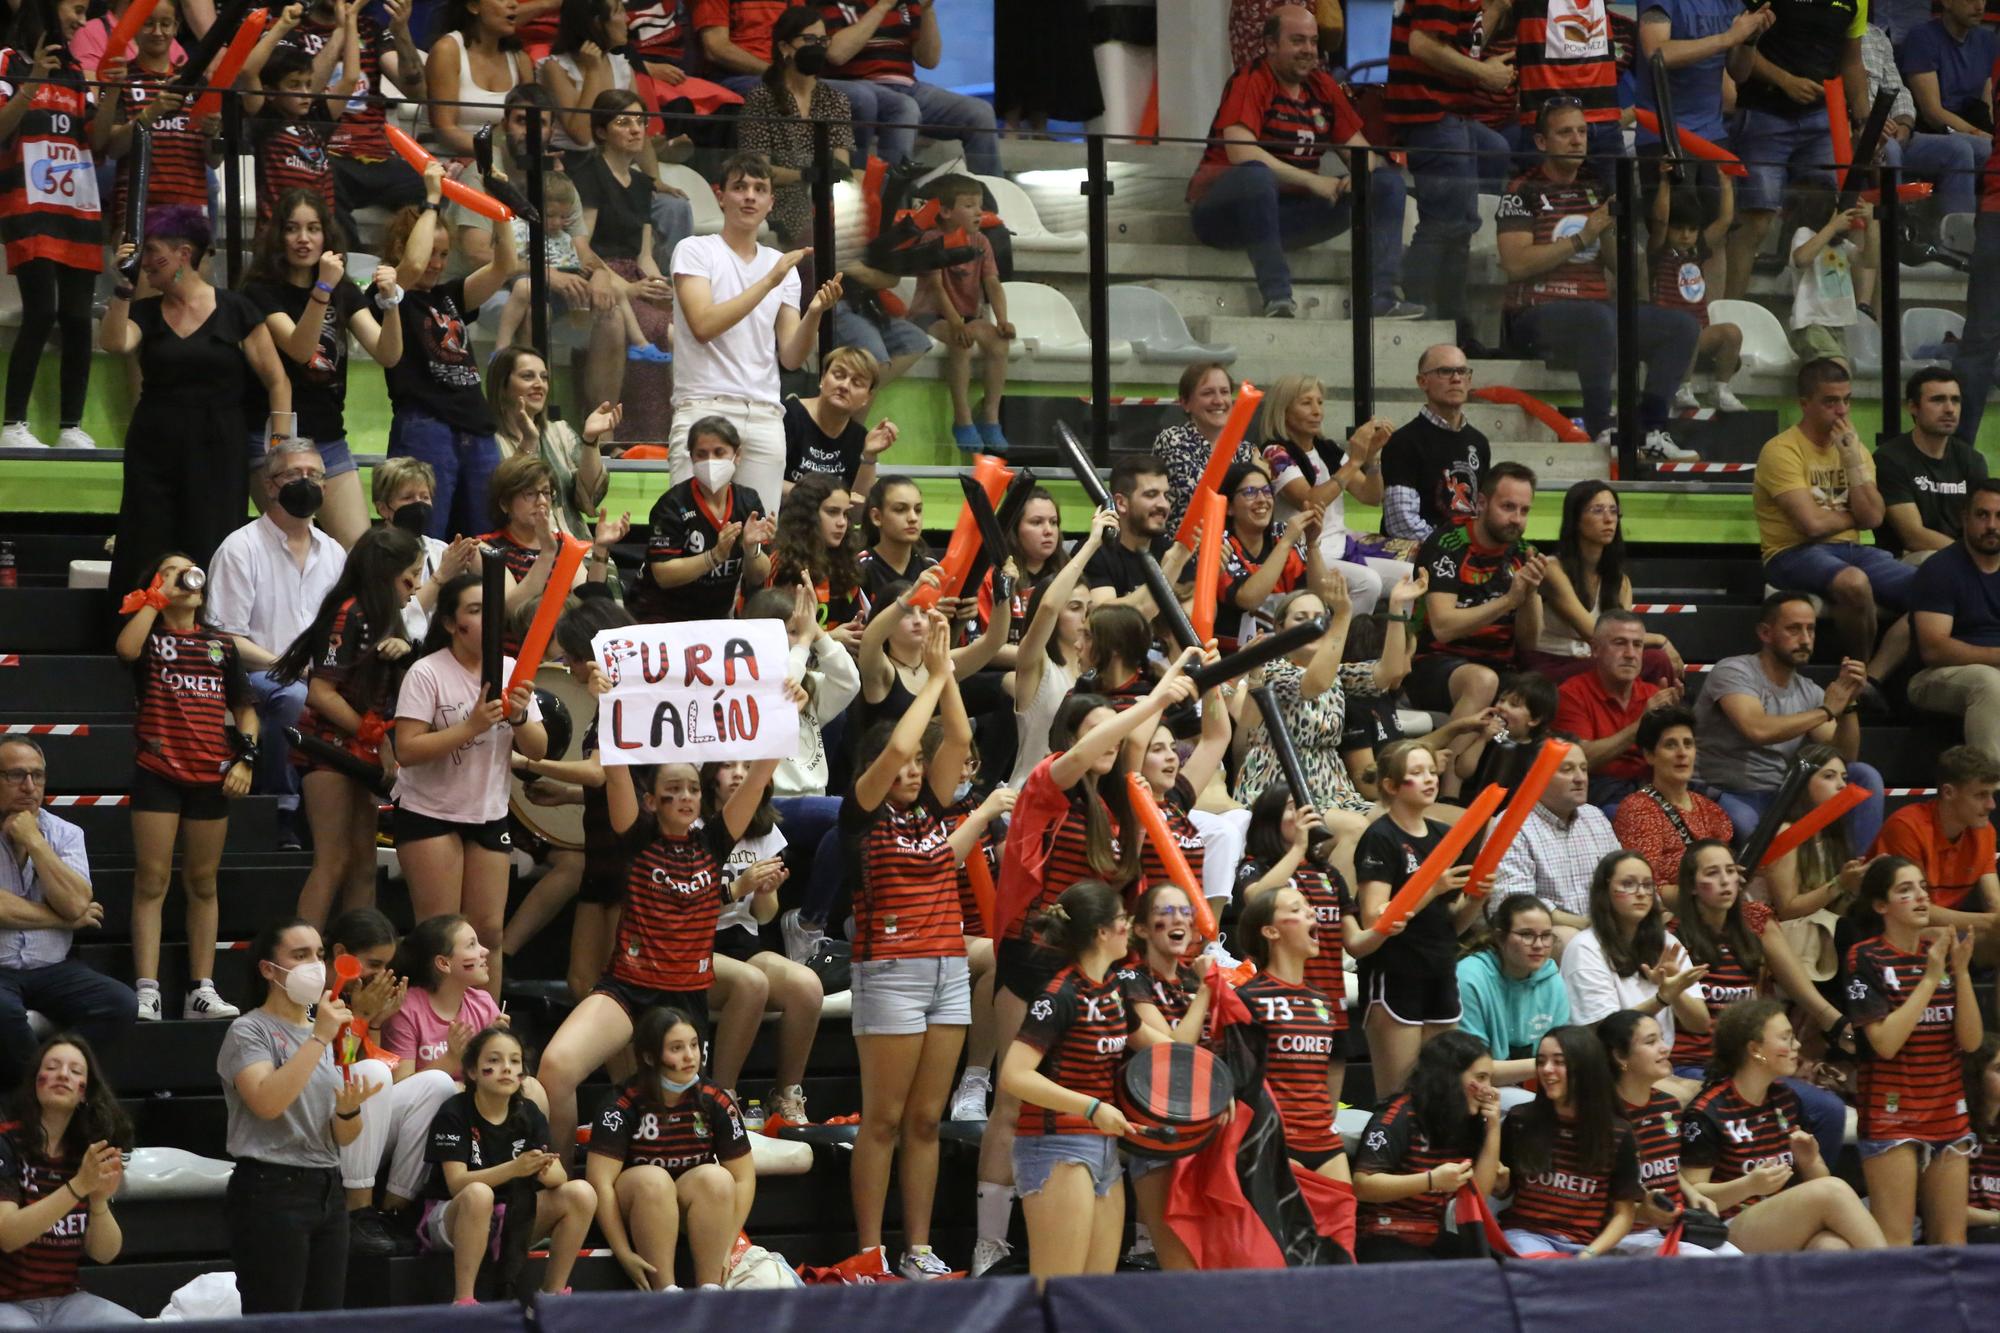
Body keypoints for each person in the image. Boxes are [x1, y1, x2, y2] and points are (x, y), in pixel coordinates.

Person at [976, 665, 1197, 1276]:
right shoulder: (1048, 784)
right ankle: (990, 1239)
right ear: (1072, 739)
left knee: (1101, 1082)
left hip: (1099, 963)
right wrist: (1150, 700)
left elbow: (1134, 740)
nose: (1109, 741)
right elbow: (1102, 744)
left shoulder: (1124, 798)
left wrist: (1172, 680)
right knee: (1014, 1101)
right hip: (1034, 955)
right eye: (1094, 730)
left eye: (1113, 732)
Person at [534, 740, 778, 1167]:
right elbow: (614, 769)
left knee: (688, 1122)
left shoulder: (713, 842)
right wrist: (610, 702)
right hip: (628, 988)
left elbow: (759, 777)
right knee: (555, 1069)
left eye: (692, 789)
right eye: (673, 789)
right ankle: (558, 1184)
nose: (685, 796)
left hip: (685, 998)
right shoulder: (637, 838)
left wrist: (784, 713)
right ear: (650, 800)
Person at [100, 207, 292, 601]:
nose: (146, 262)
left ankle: (209, 640)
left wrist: (280, 448)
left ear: (184, 254)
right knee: (146, 539)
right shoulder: (145, 312)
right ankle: (138, 637)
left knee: (214, 540)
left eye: (153, 252)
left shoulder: (237, 309)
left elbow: (278, 381)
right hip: (154, 444)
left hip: (219, 443)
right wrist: (122, 286)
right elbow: (115, 342)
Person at [1496, 101, 1699, 461]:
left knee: (1680, 326)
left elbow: (1625, 267)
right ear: (1542, 142)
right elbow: (1516, 264)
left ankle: (1652, 428)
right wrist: (1582, 236)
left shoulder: (1595, 186)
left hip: (1594, 317)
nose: (1577, 141)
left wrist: (1618, 228)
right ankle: (1601, 426)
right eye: (1565, 133)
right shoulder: (1520, 190)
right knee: (1598, 318)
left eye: (1581, 132)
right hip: (1533, 317)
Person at [1189, 6, 1417, 321]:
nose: (1308, 50)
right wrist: (1311, 181)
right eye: (1297, 41)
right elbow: (1241, 152)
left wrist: (1360, 175)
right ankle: (1278, 298)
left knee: (1387, 182)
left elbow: (1363, 155)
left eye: (1312, 41)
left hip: (1287, 216)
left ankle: (1379, 298)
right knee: (1256, 176)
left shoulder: (1322, 86)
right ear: (1270, 45)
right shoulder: (1251, 80)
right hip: (1224, 216)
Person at [114, 552, 258, 1024]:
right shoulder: (150, 637)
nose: (188, 578)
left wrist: (247, 759)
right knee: (152, 879)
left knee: (202, 881)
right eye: (175, 571)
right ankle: (147, 990)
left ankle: (201, 989)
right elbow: (126, 651)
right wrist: (157, 596)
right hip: (158, 772)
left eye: (192, 571)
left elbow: (246, 710)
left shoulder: (222, 646)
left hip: (210, 777)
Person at [390, 574, 547, 996]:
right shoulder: (427, 673)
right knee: (441, 935)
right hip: (430, 812)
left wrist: (517, 716)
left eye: (492, 612)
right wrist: (472, 725)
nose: (486, 622)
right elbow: (406, 749)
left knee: (488, 934)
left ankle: (487, 1031)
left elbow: (538, 747)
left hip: (488, 812)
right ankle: (430, 1029)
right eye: (474, 611)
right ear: (449, 623)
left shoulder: (513, 670)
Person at [219, 918, 378, 1313]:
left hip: (328, 1188)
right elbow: (267, 1102)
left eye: (320, 955)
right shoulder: (248, 1030)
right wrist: (319, 1036)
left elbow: (345, 1135)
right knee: (277, 1319)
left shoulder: (335, 1032)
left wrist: (348, 1110)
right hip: (270, 1188)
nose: (315, 964)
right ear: (269, 970)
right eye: (300, 954)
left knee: (326, 1318)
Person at [668, 151, 838, 509]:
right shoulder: (695, 249)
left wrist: (815, 313)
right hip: (705, 405)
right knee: (693, 533)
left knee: (759, 541)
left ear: (771, 202)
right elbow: (703, 325)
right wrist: (768, 280)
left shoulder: (781, 267)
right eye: (740, 187)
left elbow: (791, 356)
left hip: (764, 415)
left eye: (760, 189)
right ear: (720, 196)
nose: (749, 196)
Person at [1673, 841, 1852, 1162]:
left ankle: (1803, 1195)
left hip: (1749, 1065)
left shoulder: (1749, 934)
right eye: (1713, 874)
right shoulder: (1675, 939)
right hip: (1695, 1066)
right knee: (1744, 1107)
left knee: (1829, 1111)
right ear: (1690, 888)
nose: (1726, 881)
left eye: (1731, 871)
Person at [244, 190, 405, 549]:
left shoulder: (344, 291)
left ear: (326, 236)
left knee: (359, 550)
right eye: (293, 229)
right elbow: (301, 349)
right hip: (275, 438)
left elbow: (388, 353)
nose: (303, 239)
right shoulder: (261, 291)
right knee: (290, 547)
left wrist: (391, 303)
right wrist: (322, 289)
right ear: (279, 237)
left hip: (329, 437)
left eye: (313, 229)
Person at [204, 441, 345, 843]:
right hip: (255, 672)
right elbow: (224, 636)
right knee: (293, 698)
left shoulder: (334, 553)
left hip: (320, 674)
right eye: (294, 475)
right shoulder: (240, 548)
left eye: (314, 475)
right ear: (269, 486)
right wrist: (289, 665)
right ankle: (283, 808)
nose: (306, 483)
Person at [1846, 855, 1985, 1248]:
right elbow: (1885, 1044)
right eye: (1905, 890)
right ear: (1881, 906)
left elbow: (1972, 1042)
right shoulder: (1866, 957)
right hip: (1893, 1116)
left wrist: (1959, 972)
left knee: (1951, 1242)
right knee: (1896, 1243)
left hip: (1947, 1110)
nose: (1921, 897)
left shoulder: (1941, 955)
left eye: (1923, 887)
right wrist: (1929, 978)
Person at [999, 879, 1136, 1278]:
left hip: (1103, 1145)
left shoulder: (1112, 988)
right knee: (1059, 1291)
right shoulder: (1058, 995)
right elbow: (1014, 1075)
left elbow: (1161, 1045)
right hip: (1055, 1144)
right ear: (1102, 932)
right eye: (1123, 920)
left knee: (1093, 1294)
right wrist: (1092, 1107)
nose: (1129, 926)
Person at [377, 162, 516, 543]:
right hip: (426, 426)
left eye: (444, 254)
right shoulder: (388, 292)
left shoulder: (449, 295)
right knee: (422, 537)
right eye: (432, 252)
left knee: (485, 540)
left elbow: (506, 264)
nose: (436, 263)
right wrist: (433, 199)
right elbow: (414, 264)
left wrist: (498, 209)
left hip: (476, 427)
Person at [1682, 999, 1890, 1251]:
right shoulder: (1707, 1111)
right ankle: (1894, 1273)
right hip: (1727, 1226)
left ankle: (1881, 1281)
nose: (1798, 1046)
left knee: (1831, 1248)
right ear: (1755, 1049)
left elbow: (1816, 1183)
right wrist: (1748, 1186)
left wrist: (1811, 1161)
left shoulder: (1786, 1099)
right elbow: (1694, 1194)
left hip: (1777, 1220)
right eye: (1786, 1038)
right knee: (1833, 1190)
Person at [0, 0, 116, 452]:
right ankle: (12, 423)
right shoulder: (8, 62)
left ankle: (71, 425)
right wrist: (31, 85)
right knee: (41, 311)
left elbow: (98, 140)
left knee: (75, 318)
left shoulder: (76, 74)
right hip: (28, 206)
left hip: (78, 208)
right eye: (77, 9)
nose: (82, 21)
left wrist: (112, 95)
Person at [1755, 366, 1915, 678]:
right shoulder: (1781, 450)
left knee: (1935, 591)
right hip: (1791, 552)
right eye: (1830, 402)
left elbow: (1874, 517)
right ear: (1805, 404)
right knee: (1853, 582)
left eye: (1846, 400)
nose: (1841, 411)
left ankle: (1874, 678)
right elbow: (1811, 525)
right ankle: (1857, 671)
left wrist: (1852, 460)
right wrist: (1855, 516)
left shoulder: (1855, 449)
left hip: (1851, 550)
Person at [1693, 590, 1883, 852]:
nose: (1805, 639)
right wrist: (1827, 710)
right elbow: (1757, 729)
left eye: (1811, 630)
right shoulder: (1734, 671)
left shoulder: (1809, 691)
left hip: (1784, 795)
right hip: (1726, 792)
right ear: (1765, 633)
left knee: (1863, 776)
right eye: (1794, 629)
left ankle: (1854, 874)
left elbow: (1843, 757)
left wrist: (1849, 704)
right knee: (1748, 826)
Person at [584, 1006, 754, 1291]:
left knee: (717, 1178)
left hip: (690, 1205)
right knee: (654, 1180)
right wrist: (623, 1252)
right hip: (637, 1205)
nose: (690, 1056)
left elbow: (743, 1177)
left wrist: (728, 1243)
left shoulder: (716, 1099)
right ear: (650, 1057)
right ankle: (665, 1292)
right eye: (676, 1048)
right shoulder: (621, 1104)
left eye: (694, 1045)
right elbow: (600, 1183)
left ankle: (711, 1289)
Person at [419, 1025, 592, 1303]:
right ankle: (464, 1300)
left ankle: (552, 1295)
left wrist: (545, 1170)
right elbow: (456, 1183)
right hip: (452, 1216)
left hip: (512, 1215)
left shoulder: (529, 1112)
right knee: (478, 1194)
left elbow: (558, 1175)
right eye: (494, 1061)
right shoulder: (454, 1111)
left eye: (515, 1061)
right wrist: (514, 1169)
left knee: (581, 1193)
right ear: (473, 1071)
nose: (507, 1068)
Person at [1354, 740, 1488, 1096]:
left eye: (1432, 771)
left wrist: (1476, 899)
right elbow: (1373, 916)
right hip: (1396, 972)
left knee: (1439, 1093)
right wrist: (1431, 886)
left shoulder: (1445, 836)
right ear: (1391, 786)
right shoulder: (1380, 836)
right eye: (1416, 773)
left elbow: (1452, 923)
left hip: (1441, 969)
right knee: (1398, 1096)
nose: (1430, 779)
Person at [0, 741, 131, 1085]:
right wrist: (63, 920)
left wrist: (36, 842)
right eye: (16, 775)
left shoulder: (65, 833)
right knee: (3, 1014)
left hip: (54, 968)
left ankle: (44, 1080)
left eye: (37, 776)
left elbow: (75, 902)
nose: (29, 787)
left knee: (119, 1004)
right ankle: (39, 1094)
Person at [1385, 0, 1515, 340]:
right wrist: (1485, 73)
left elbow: (1463, 48)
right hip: (1430, 112)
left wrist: (1497, 10)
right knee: (1445, 222)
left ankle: (1454, 323)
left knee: (1494, 154)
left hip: (1453, 114)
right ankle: (1424, 314)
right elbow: (1422, 44)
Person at [705, 759, 822, 1122]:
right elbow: (684, 907)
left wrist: (765, 891)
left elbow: (765, 916)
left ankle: (787, 1095)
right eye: (728, 765)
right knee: (751, 982)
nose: (739, 773)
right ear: (708, 775)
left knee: (807, 986)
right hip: (697, 947)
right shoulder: (694, 827)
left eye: (747, 765)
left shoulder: (763, 828)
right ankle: (721, 1098)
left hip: (743, 944)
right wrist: (737, 887)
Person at [1719, 0, 1860, 300]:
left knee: (1827, 215)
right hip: (1764, 113)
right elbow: (1740, 48)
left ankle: (1821, 322)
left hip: (1822, 118)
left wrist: (1864, 121)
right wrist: (1785, 81)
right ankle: (1731, 313)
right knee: (1756, 218)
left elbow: (1851, 62)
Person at [0, 1035, 134, 1325]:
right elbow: (8, 1235)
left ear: (84, 1092)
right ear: (35, 1081)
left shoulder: (86, 1152)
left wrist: (98, 1201)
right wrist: (78, 1187)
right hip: (6, 1302)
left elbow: (104, 1254)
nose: (63, 1074)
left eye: (75, 1071)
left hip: (65, 1300)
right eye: (53, 1066)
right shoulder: (6, 1142)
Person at [1116, 882, 1214, 1271]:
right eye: (1166, 911)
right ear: (1140, 929)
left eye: (1185, 911)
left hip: (1201, 1127)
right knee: (1180, 1266)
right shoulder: (1129, 980)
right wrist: (1207, 994)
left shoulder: (1191, 980)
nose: (1178, 920)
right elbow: (1175, 1054)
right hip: (1151, 1127)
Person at [1408, 461, 1546, 732]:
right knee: (1483, 681)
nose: (1517, 519)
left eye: (1524, 510)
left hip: (1501, 666)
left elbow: (1530, 642)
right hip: (1434, 663)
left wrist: (1529, 595)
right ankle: (1448, 771)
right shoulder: (1449, 544)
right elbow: (1443, 628)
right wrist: (1508, 601)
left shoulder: (1524, 553)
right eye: (1507, 507)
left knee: (1543, 697)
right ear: (1481, 503)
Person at [1236, 885, 1357, 1184]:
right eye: (1295, 909)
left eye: (1309, 907)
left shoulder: (1322, 1001)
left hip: (1326, 1143)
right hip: (1277, 1142)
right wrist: (1263, 1146)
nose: (1311, 912)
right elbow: (1239, 1085)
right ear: (1271, 931)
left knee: (1342, 1228)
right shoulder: (1247, 998)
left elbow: (1323, 1077)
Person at [1353, 1030, 1503, 1262]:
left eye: (1489, 1079)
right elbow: (1363, 1185)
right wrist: (1431, 1181)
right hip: (1381, 1233)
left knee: (1498, 1270)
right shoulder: (1398, 1116)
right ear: (1450, 1077)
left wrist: (1493, 1128)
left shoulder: (1468, 1122)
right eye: (1481, 1078)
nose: (1489, 1089)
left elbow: (1479, 1196)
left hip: (1432, 1234)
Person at [1259, 379, 1407, 614]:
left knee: (1408, 577)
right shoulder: (1275, 452)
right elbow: (1310, 502)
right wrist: (1355, 460)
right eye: (1306, 403)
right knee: (1368, 582)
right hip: (1304, 553)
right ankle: (1344, 647)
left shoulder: (1326, 449)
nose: (1317, 411)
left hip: (1341, 548)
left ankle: (1396, 646)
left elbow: (1370, 496)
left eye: (1319, 402)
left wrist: (1371, 459)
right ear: (1283, 411)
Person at [1497, 1024, 1642, 1256]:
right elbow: (1502, 1192)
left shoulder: (1618, 1133)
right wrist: (1500, 1179)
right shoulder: (1519, 1119)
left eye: (1559, 1061)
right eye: (1541, 1061)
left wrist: (1589, 1255)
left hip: (1586, 1246)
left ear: (1585, 1068)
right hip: (1527, 1235)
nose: (1546, 1069)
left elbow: (1624, 1214)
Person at [1527, 480, 1685, 684]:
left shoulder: (1620, 581)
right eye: (1598, 510)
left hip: (1596, 662)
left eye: (1613, 511)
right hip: (1552, 665)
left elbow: (1626, 636)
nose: (1609, 519)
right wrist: (1660, 639)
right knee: (1652, 660)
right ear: (1575, 519)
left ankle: (1663, 712)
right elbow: (1596, 635)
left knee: (1650, 662)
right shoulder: (1552, 569)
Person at [574, 89, 674, 408]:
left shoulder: (643, 184)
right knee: (662, 329)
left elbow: (645, 255)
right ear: (602, 131)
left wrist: (659, 285)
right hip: (602, 277)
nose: (636, 129)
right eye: (623, 122)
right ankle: (624, 429)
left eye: (640, 121)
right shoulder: (589, 176)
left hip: (635, 274)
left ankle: (666, 432)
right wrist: (629, 289)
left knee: (682, 320)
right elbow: (583, 249)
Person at [818, 0, 1000, 172]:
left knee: (980, 113)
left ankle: (989, 199)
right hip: (859, 84)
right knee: (904, 107)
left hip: (908, 86)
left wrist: (927, 10)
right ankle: (890, 195)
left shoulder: (906, 4)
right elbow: (836, 54)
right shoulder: (834, 4)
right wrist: (883, 6)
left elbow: (928, 60)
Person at [1559, 849, 1707, 1056]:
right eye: (1628, 884)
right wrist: (1662, 999)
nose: (1640, 893)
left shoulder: (1667, 942)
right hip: (1608, 1068)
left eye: (1647, 885)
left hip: (1658, 1063)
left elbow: (1700, 1024)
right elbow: (1607, 1031)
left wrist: (1676, 991)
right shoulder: (1585, 947)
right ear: (1605, 891)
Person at [906, 174, 1013, 454]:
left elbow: (992, 283)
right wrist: (955, 324)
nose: (979, 212)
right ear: (945, 211)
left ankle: (991, 418)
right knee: (961, 343)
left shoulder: (981, 242)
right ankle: (963, 419)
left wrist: (1002, 320)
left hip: (966, 315)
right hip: (930, 317)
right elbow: (936, 287)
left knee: (999, 342)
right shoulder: (932, 240)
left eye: (979, 206)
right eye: (969, 206)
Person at [634, 415, 775, 623]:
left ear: (737, 455)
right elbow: (663, 575)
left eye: (719, 453)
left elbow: (758, 576)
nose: (711, 461)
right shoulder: (672, 505)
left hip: (714, 618)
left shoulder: (748, 502)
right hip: (660, 615)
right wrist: (714, 556)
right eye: (702, 454)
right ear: (691, 458)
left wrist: (751, 549)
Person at [738, 8, 852, 252]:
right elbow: (758, 170)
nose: (818, 47)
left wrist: (826, 177)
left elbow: (841, 163)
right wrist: (807, 175)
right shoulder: (762, 98)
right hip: (778, 196)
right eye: (809, 40)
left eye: (823, 41)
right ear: (785, 47)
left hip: (826, 195)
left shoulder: (835, 99)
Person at [101, 0, 213, 248]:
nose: (158, 32)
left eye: (165, 24)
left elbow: (215, 159)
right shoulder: (120, 78)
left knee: (195, 285)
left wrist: (212, 133)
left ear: (176, 26)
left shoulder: (196, 83)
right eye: (148, 23)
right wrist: (153, 112)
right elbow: (113, 147)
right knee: (143, 285)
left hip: (191, 210)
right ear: (133, 27)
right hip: (139, 211)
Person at [487, 346, 619, 549]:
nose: (539, 384)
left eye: (544, 377)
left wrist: (590, 440)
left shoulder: (560, 432)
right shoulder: (488, 442)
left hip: (577, 550)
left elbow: (590, 500)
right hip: (520, 554)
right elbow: (504, 501)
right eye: (527, 376)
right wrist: (529, 442)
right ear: (502, 385)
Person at [1871, 747, 2000, 944]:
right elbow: (1913, 907)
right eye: (1981, 795)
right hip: (1889, 929)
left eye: (1992, 794)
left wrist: (1995, 921)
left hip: (1941, 930)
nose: (1992, 805)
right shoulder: (1907, 826)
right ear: (1948, 792)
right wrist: (1989, 922)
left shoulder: (1984, 830)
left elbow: (1994, 901)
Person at [1554, 612, 1684, 807]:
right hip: (1599, 793)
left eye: (1637, 645)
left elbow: (1675, 761)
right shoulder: (1571, 694)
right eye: (1620, 643)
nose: (1630, 654)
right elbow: (1581, 760)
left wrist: (1675, 726)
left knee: (1733, 816)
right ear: (1595, 649)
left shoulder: (1654, 695)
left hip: (1651, 788)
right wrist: (1642, 724)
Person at [1860, 18, 1985, 223]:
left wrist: (1904, 123)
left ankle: (1955, 241)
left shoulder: (1876, 36)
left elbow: (1899, 90)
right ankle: (1894, 235)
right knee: (1888, 149)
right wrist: (1870, 125)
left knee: (1958, 149)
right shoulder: (1825, 35)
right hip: (1862, 133)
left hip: (1898, 130)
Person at [1488, 740, 1619, 933]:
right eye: (1567, 770)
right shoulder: (1511, 824)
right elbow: (1514, 903)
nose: (1580, 778)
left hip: (1603, 927)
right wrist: (1586, 925)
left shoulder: (1595, 816)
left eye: (1583, 769)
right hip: (1545, 933)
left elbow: (1621, 875)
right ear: (1535, 778)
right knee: (1569, 937)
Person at [1910, 479, 2000, 759]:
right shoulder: (1940, 569)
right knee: (1989, 683)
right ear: (1965, 518)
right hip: (1936, 676)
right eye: (1982, 515)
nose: (1992, 525)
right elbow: (1934, 649)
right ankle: (1991, 791)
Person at [1646, 177, 1748, 415]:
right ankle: (1682, 387)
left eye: (1692, 229)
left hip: (1696, 335)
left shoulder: (1697, 251)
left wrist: (1725, 182)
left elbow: (1724, 221)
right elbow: (1660, 221)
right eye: (1678, 228)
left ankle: (1721, 389)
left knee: (1732, 333)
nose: (1685, 235)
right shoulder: (1659, 252)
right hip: (1665, 335)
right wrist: (1664, 182)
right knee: (1687, 328)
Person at [1612, 707, 1734, 891]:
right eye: (1670, 745)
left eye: (1688, 744)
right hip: (1674, 914)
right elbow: (1644, 885)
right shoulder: (1638, 808)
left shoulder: (1709, 808)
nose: (1682, 753)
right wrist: (1701, 894)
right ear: (1649, 755)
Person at [1456, 895, 1570, 1086]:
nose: (1539, 945)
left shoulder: (1551, 978)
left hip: (1538, 1083)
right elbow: (1475, 1071)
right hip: (1479, 1089)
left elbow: (1563, 1049)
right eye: (1526, 934)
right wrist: (1552, 1065)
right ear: (1500, 938)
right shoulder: (1469, 978)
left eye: (1546, 935)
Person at [1381, 344, 1490, 543]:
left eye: (1462, 371)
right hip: (1419, 554)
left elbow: (1482, 509)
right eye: (1445, 371)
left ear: (1469, 380)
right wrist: (1452, 546)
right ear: (1422, 382)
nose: (1456, 378)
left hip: (1466, 550)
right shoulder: (1403, 442)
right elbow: (1401, 523)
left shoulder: (1479, 442)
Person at [1875, 369, 1987, 564]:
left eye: (1955, 400)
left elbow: (1984, 520)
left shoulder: (1972, 459)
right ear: (1913, 407)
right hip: (1908, 557)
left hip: (1964, 556)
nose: (1950, 409)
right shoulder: (1890, 459)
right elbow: (1913, 535)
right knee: (1937, 562)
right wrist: (1972, 556)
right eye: (1938, 400)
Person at [1213, 460, 1320, 646]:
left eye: (1266, 491)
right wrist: (1287, 542)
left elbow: (1318, 596)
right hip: (1235, 660)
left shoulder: (1280, 535)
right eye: (1249, 492)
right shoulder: (1220, 545)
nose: (1262, 499)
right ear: (1228, 507)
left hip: (1284, 653)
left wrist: (1312, 544)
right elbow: (1249, 598)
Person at [424, 0, 534, 160]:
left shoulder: (520, 60)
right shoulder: (447, 50)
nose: (514, 4)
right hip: (451, 162)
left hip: (507, 162)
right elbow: (445, 128)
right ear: (473, 6)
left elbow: (532, 124)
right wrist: (497, 154)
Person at [782, 347, 895, 499]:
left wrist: (869, 456)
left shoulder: (859, 437)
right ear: (822, 378)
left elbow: (857, 513)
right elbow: (766, 481)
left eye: (857, 382)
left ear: (867, 398)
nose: (844, 386)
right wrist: (827, 497)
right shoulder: (787, 415)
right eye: (839, 375)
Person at [1783, 188, 1872, 366]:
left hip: (1836, 323)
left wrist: (1872, 223)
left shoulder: (1842, 245)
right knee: (1838, 368)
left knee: (1836, 376)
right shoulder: (1804, 234)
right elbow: (1801, 258)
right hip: (1811, 323)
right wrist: (1832, 227)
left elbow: (1870, 260)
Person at [1084, 456, 1178, 606]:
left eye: (1166, 495)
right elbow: (1106, 620)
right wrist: (1171, 569)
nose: (1164, 504)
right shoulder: (1096, 553)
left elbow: (1196, 612)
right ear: (1121, 503)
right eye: (1151, 495)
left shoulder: (1171, 549)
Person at [1900, 0, 1997, 144]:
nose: (1980, 7)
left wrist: (1990, 134)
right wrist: (1977, 134)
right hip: (1931, 132)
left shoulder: (1986, 40)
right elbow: (1932, 113)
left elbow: (1987, 99)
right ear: (1947, 2)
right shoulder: (1922, 38)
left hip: (1973, 124)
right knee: (1968, 148)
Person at [1967, 1036, 2000, 1241]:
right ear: (1977, 1076)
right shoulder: (1958, 1133)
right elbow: (1948, 1213)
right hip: (1972, 1236)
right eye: (1998, 1069)